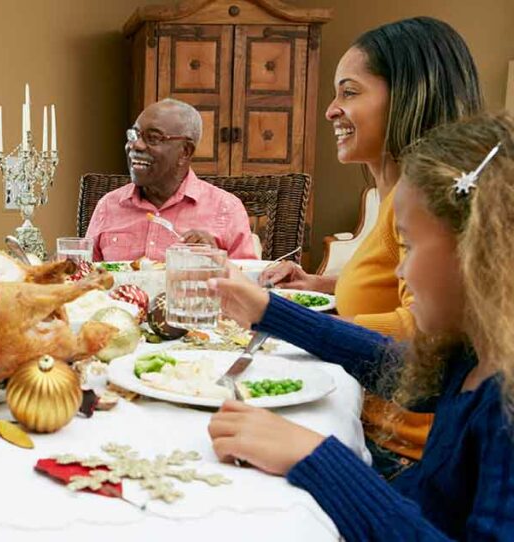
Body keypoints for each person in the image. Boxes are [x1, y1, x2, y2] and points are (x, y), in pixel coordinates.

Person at [208, 111, 514, 540]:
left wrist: (317, 458)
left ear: (479, 252)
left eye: (408, 246)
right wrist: (268, 311)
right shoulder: (475, 354)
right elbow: (390, 363)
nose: (401, 272)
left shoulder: (505, 412)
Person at [257, 17, 482, 475]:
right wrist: (322, 285)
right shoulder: (399, 192)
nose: (331, 110)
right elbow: (399, 286)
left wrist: (293, 325)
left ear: (407, 96)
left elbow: (428, 329)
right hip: (372, 422)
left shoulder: (422, 199)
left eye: (350, 92)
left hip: (401, 453)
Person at [86, 98, 256, 262]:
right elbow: (82, 277)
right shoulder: (108, 206)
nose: (135, 145)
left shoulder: (226, 209)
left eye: (153, 138)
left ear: (185, 152)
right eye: (134, 135)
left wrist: (216, 261)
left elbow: (249, 284)